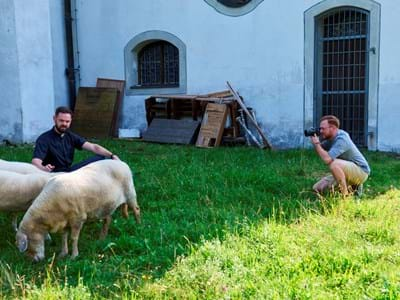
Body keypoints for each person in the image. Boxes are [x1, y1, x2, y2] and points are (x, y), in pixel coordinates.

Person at [32, 106, 119, 172]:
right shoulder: (44, 139)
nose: (64, 124)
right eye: (61, 121)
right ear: (54, 119)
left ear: (70, 121)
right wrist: (44, 168)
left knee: (101, 158)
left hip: (70, 172)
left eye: (67, 121)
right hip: (54, 174)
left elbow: (93, 147)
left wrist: (112, 156)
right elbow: (35, 161)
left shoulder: (70, 136)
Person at [310, 115, 370, 196]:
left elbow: (327, 159)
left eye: (322, 129)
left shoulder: (342, 139)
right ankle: (353, 187)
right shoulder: (331, 138)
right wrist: (315, 141)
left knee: (334, 164)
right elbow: (321, 150)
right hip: (347, 170)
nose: (320, 131)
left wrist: (317, 144)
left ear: (332, 128)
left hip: (361, 171)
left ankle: (345, 196)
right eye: (320, 129)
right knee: (317, 188)